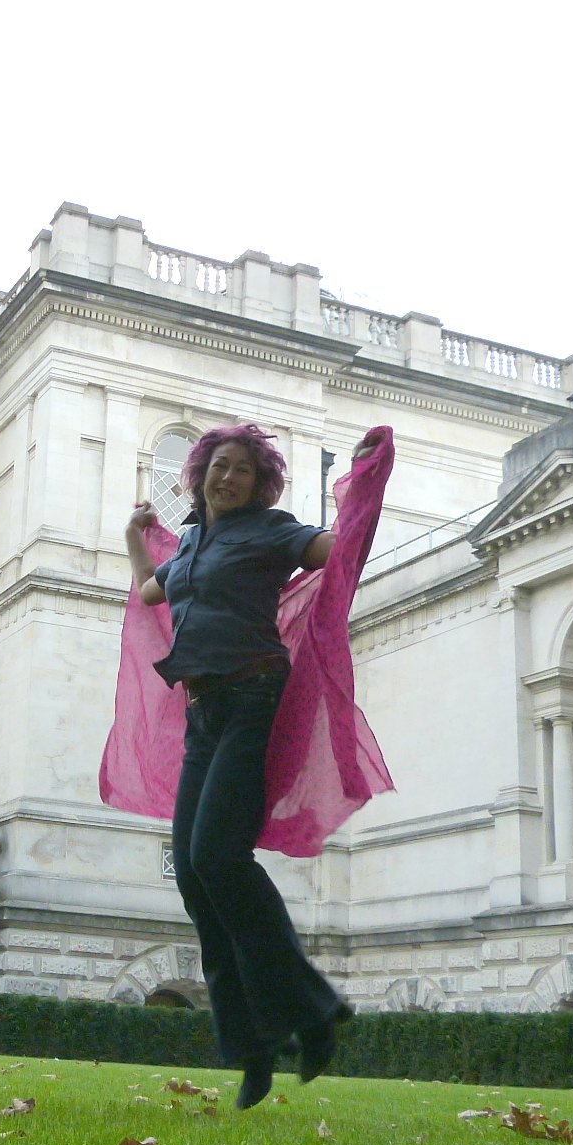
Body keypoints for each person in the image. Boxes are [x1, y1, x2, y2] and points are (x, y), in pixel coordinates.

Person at [123, 424, 384, 1109]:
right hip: (204, 715)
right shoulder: (191, 548)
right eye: (219, 466)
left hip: (252, 701)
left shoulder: (270, 531)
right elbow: (150, 592)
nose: (228, 477)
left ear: (261, 482)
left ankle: (313, 1011)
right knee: (196, 876)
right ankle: (253, 1049)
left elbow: (340, 551)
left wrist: (364, 485)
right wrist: (136, 536)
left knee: (219, 857)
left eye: (242, 469)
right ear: (200, 474)